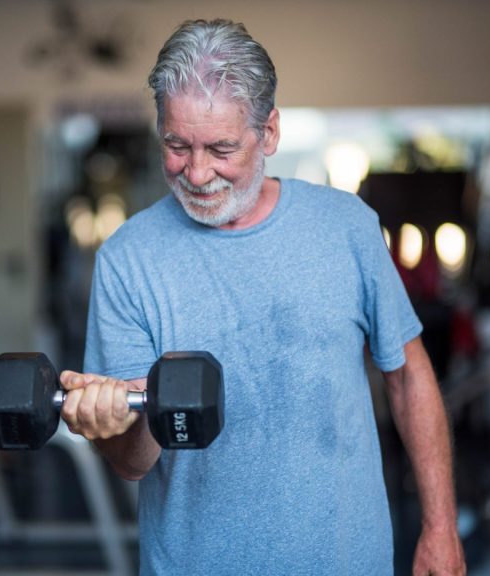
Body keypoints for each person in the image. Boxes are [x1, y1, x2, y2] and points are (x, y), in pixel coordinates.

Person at [58, 18, 466, 575]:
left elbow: (407, 373)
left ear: (269, 133)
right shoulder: (128, 259)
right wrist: (111, 426)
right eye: (176, 145)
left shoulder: (345, 227)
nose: (197, 172)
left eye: (221, 147)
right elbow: (134, 463)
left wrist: (440, 527)